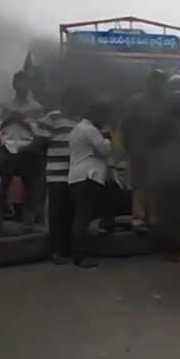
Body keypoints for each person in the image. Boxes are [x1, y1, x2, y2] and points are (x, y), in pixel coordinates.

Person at [34, 85, 83, 265]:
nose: (77, 103)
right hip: (55, 174)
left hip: (73, 175)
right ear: (66, 99)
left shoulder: (78, 122)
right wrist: (46, 162)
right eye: (75, 99)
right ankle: (54, 251)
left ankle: (66, 249)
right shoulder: (52, 117)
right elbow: (39, 142)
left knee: (69, 213)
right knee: (56, 214)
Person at [0, 71, 44, 231]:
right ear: (14, 85)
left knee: (28, 185)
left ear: (29, 86)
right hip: (8, 146)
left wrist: (23, 122)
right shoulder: (5, 105)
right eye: (18, 83)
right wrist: (9, 119)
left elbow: (40, 130)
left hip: (26, 148)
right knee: (3, 185)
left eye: (25, 83)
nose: (21, 86)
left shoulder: (37, 108)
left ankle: (27, 219)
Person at [122, 70, 172, 232]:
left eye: (163, 82)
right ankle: (138, 219)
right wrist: (130, 149)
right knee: (140, 187)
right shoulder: (135, 102)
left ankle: (154, 218)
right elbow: (126, 127)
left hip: (159, 152)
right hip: (139, 151)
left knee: (156, 186)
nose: (160, 85)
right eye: (157, 82)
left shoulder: (166, 103)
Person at [67, 100, 114, 268]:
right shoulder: (90, 130)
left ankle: (105, 226)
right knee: (83, 216)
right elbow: (104, 150)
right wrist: (107, 138)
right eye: (103, 116)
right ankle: (80, 255)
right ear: (96, 115)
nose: (104, 120)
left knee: (84, 214)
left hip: (78, 178)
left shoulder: (77, 129)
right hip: (88, 177)